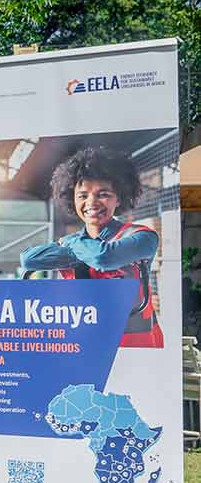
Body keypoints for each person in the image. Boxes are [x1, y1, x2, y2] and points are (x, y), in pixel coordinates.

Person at [19, 145, 162, 348]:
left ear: (119, 198)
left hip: (135, 347)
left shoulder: (143, 237)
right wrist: (77, 246)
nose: (91, 202)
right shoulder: (73, 243)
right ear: (72, 199)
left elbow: (104, 258)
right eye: (83, 195)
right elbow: (28, 259)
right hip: (86, 344)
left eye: (103, 194)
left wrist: (71, 243)